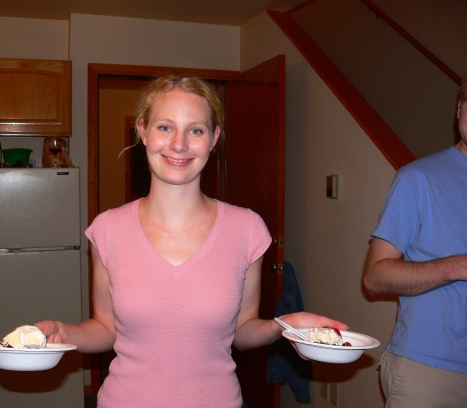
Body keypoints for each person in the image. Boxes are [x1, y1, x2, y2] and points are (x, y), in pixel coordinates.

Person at [37, 73, 347, 407]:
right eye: (165, 127)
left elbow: (242, 330)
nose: (179, 144)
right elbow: (106, 327)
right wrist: (64, 333)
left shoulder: (247, 229)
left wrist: (283, 327)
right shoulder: (107, 229)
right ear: (143, 131)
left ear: (214, 138)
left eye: (195, 130)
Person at [362, 73, 467, 408]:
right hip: (431, 373)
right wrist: (459, 266)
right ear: (459, 109)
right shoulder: (417, 179)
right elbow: (374, 277)